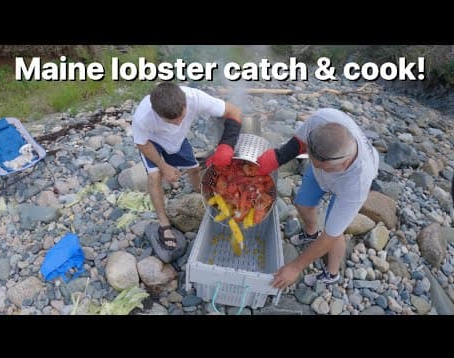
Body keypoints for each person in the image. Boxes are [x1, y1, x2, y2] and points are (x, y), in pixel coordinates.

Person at [256, 108, 379, 288]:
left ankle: (332, 273)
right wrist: (278, 157)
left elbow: (330, 235)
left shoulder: (357, 182)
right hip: (324, 168)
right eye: (313, 162)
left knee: (334, 232)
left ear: (343, 163)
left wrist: (295, 267)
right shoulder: (322, 120)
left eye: (324, 167)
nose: (318, 167)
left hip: (344, 185)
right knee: (302, 203)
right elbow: (300, 142)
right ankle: (311, 233)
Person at [131, 82, 242, 251]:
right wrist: (164, 166)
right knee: (154, 176)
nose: (177, 123)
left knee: (194, 168)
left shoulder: (194, 98)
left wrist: (226, 146)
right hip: (152, 142)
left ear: (185, 104)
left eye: (181, 117)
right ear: (156, 113)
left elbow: (234, 111)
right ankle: (164, 224)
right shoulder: (143, 116)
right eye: (171, 121)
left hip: (178, 140)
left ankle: (201, 192)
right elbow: (141, 144)